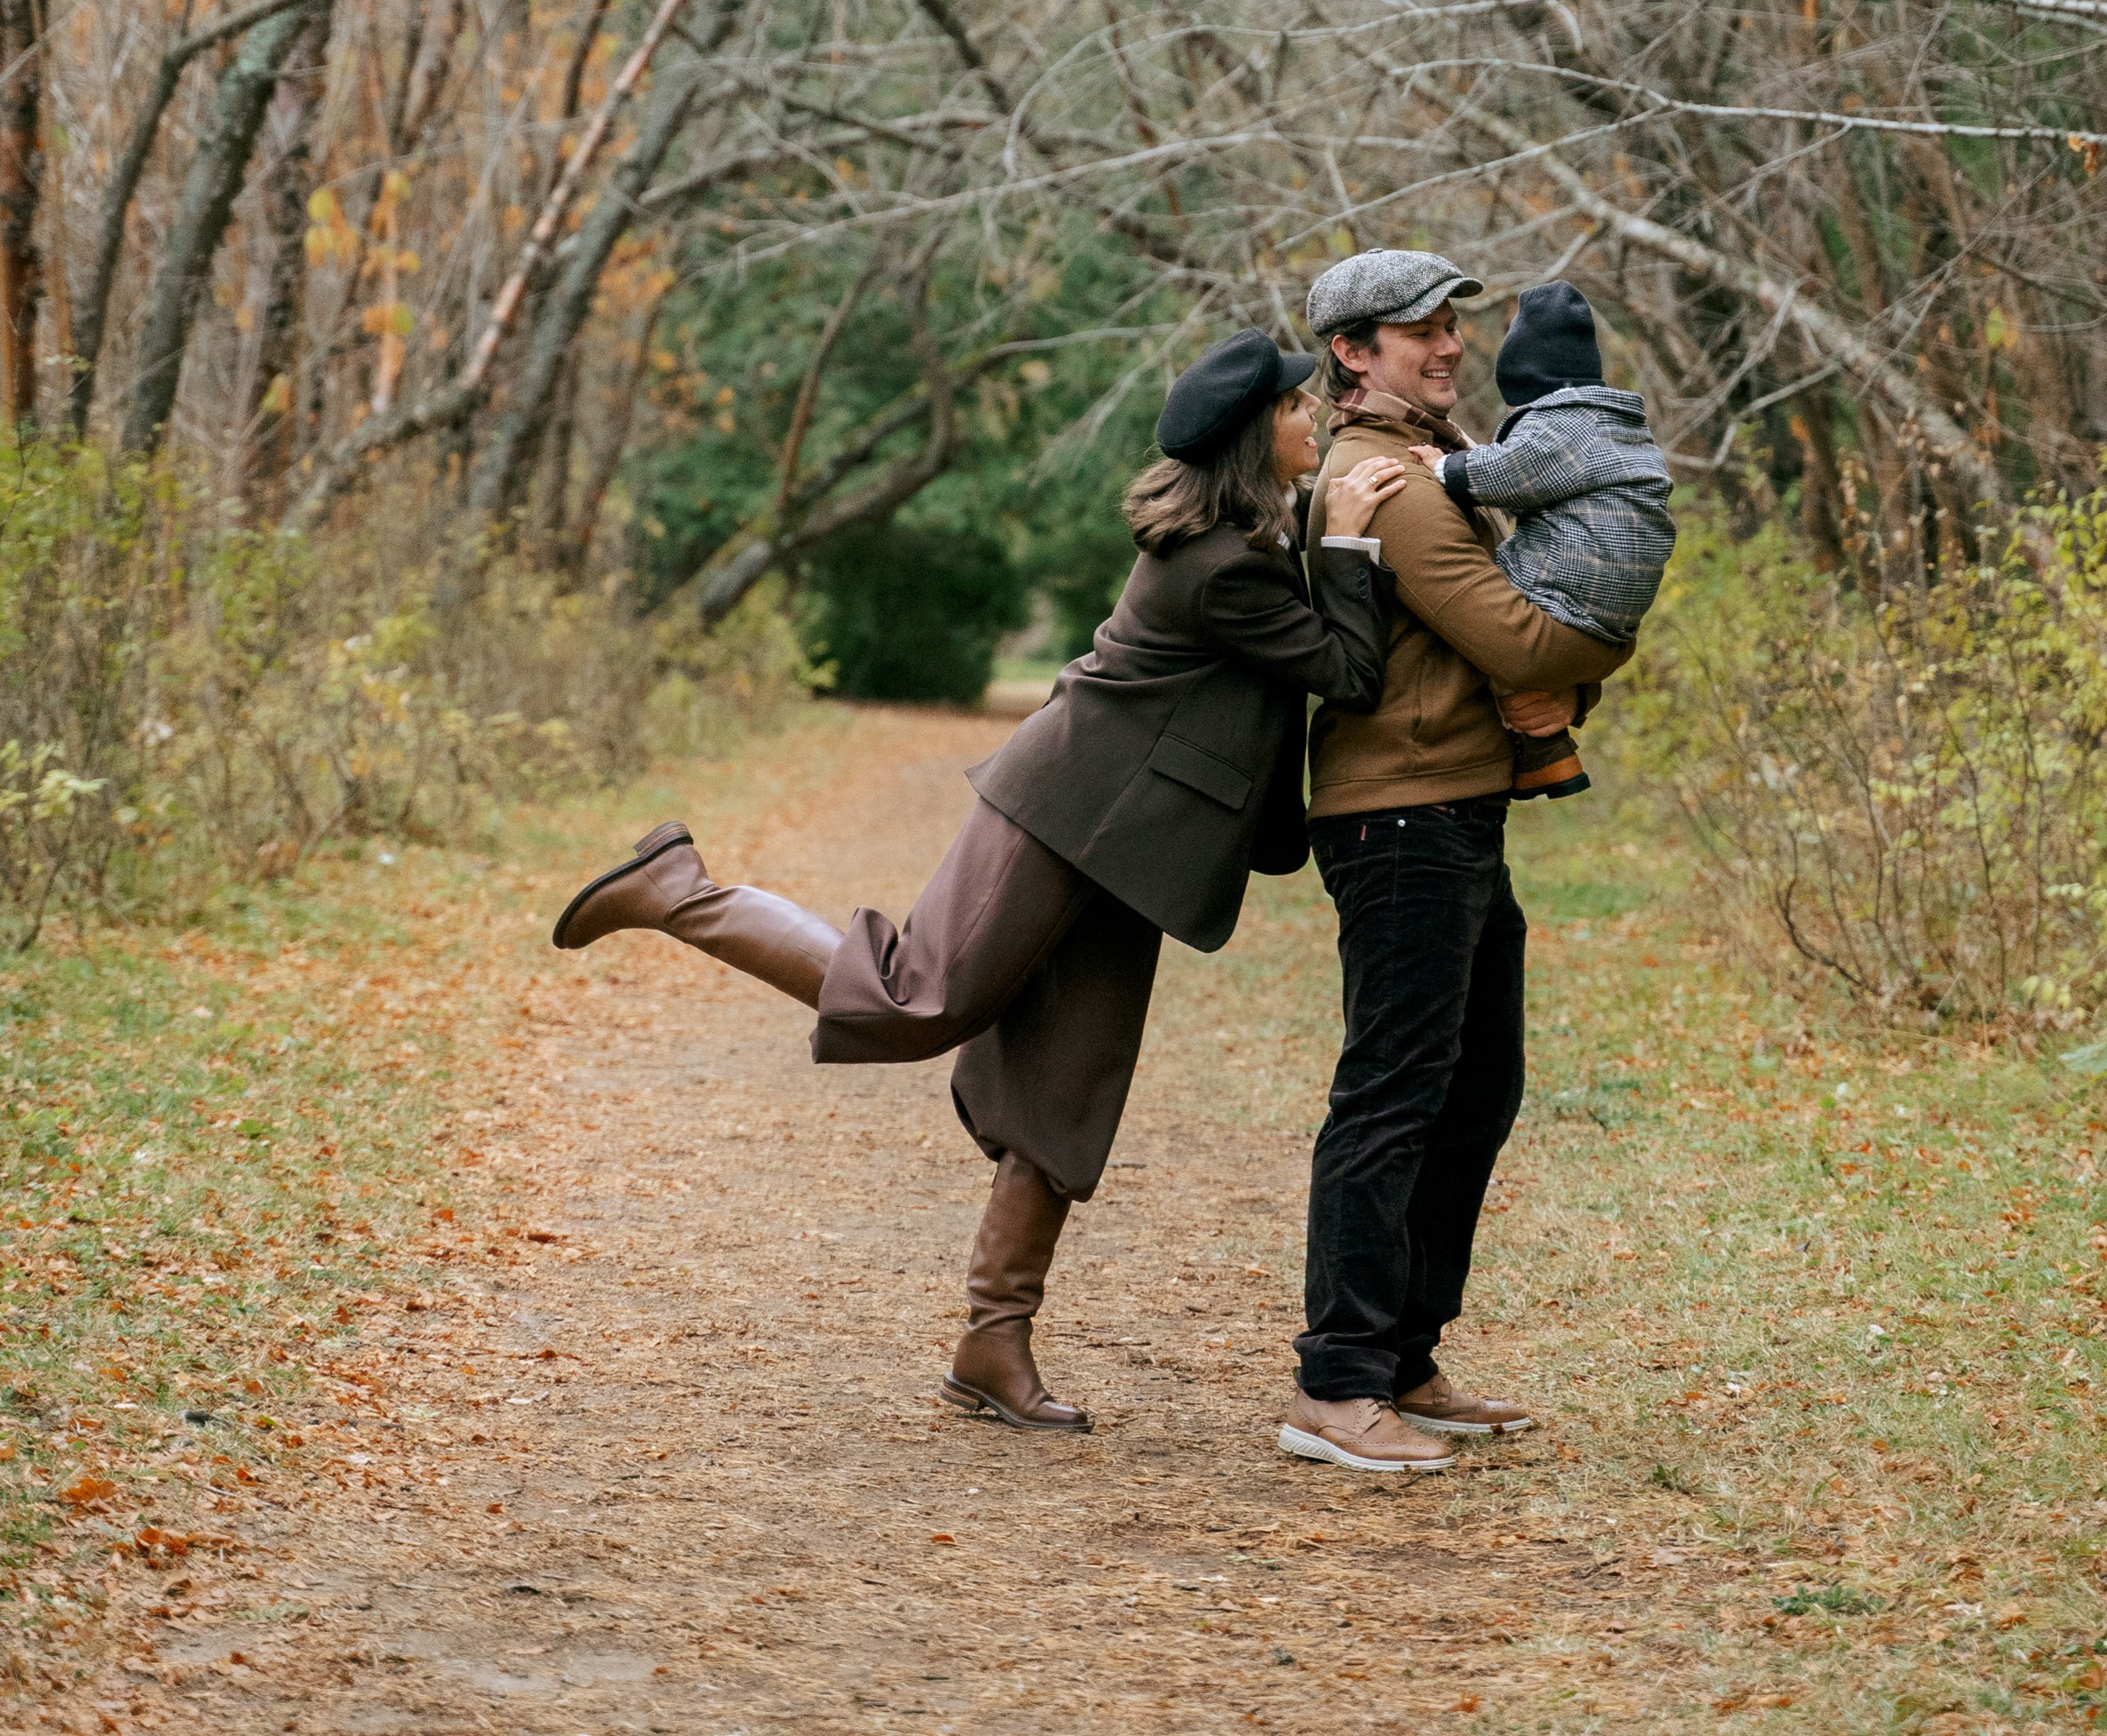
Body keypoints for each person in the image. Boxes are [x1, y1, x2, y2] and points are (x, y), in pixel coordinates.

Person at [550, 330, 1407, 1436]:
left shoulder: (1247, 527)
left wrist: (1320, 526)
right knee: (920, 998)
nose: (1317, 421)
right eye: (1301, 409)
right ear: (1257, 436)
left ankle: (990, 1344)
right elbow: (1347, 670)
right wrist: (1347, 546)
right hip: (1064, 814)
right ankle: (679, 891)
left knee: (1065, 1087)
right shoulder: (1219, 565)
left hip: (1135, 849)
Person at [1281, 249, 1634, 1479]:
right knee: (1393, 1089)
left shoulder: (1432, 465)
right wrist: (1603, 644)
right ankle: (1337, 1382)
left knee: (1476, 1085)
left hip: (1455, 805)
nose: (1445, 346)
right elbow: (1522, 641)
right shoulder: (1392, 485)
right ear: (1350, 352)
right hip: (1402, 818)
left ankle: (1403, 1358)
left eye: (1449, 326)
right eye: (1412, 331)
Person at [1419, 280, 1676, 801]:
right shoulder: (1619, 426)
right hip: (1620, 602)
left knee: (1484, 591)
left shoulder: (1559, 426)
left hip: (1570, 584)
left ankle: (1534, 749)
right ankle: (1546, 756)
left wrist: (1441, 466)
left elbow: (1502, 477)